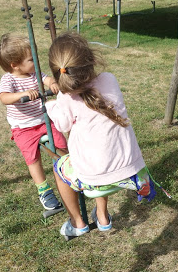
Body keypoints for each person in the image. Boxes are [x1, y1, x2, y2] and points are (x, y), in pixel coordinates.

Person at [45, 32, 156, 238]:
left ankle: (77, 222)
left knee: (60, 168)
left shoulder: (66, 96)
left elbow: (62, 124)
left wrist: (51, 105)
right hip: (129, 167)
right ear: (90, 60)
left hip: (94, 174)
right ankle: (102, 216)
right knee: (101, 148)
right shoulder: (109, 80)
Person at [0, 33, 68, 212]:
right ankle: (44, 190)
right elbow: (4, 97)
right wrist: (22, 94)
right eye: (31, 59)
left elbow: (47, 79)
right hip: (23, 127)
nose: (35, 62)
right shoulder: (9, 79)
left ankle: (68, 174)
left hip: (44, 121)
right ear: (15, 65)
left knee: (61, 146)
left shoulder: (35, 74)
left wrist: (52, 83)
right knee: (32, 157)